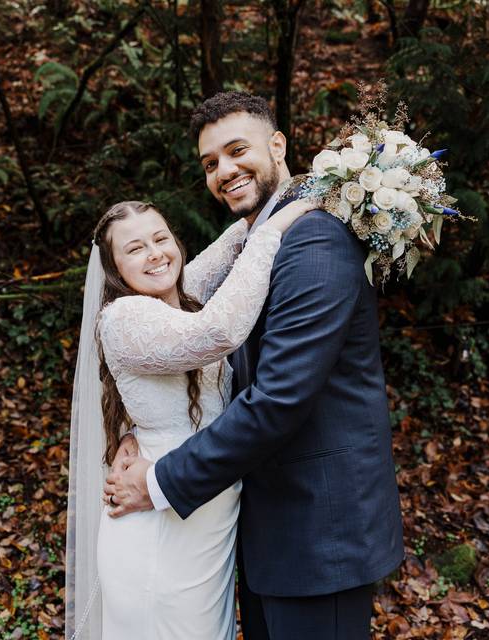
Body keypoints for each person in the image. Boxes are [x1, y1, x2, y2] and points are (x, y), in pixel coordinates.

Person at [103, 91, 405, 640]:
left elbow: (279, 397)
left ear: (277, 144)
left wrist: (161, 479)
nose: (225, 170)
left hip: (319, 535)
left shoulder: (314, 238)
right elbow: (175, 353)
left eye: (236, 150)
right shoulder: (258, 238)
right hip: (261, 530)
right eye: (210, 163)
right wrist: (138, 432)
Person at [65, 194, 315, 640]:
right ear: (114, 268)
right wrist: (272, 233)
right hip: (157, 525)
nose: (155, 253)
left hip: (206, 523)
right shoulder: (125, 316)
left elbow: (230, 245)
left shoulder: (177, 297)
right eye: (135, 248)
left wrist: (308, 188)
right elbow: (218, 331)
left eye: (161, 238)